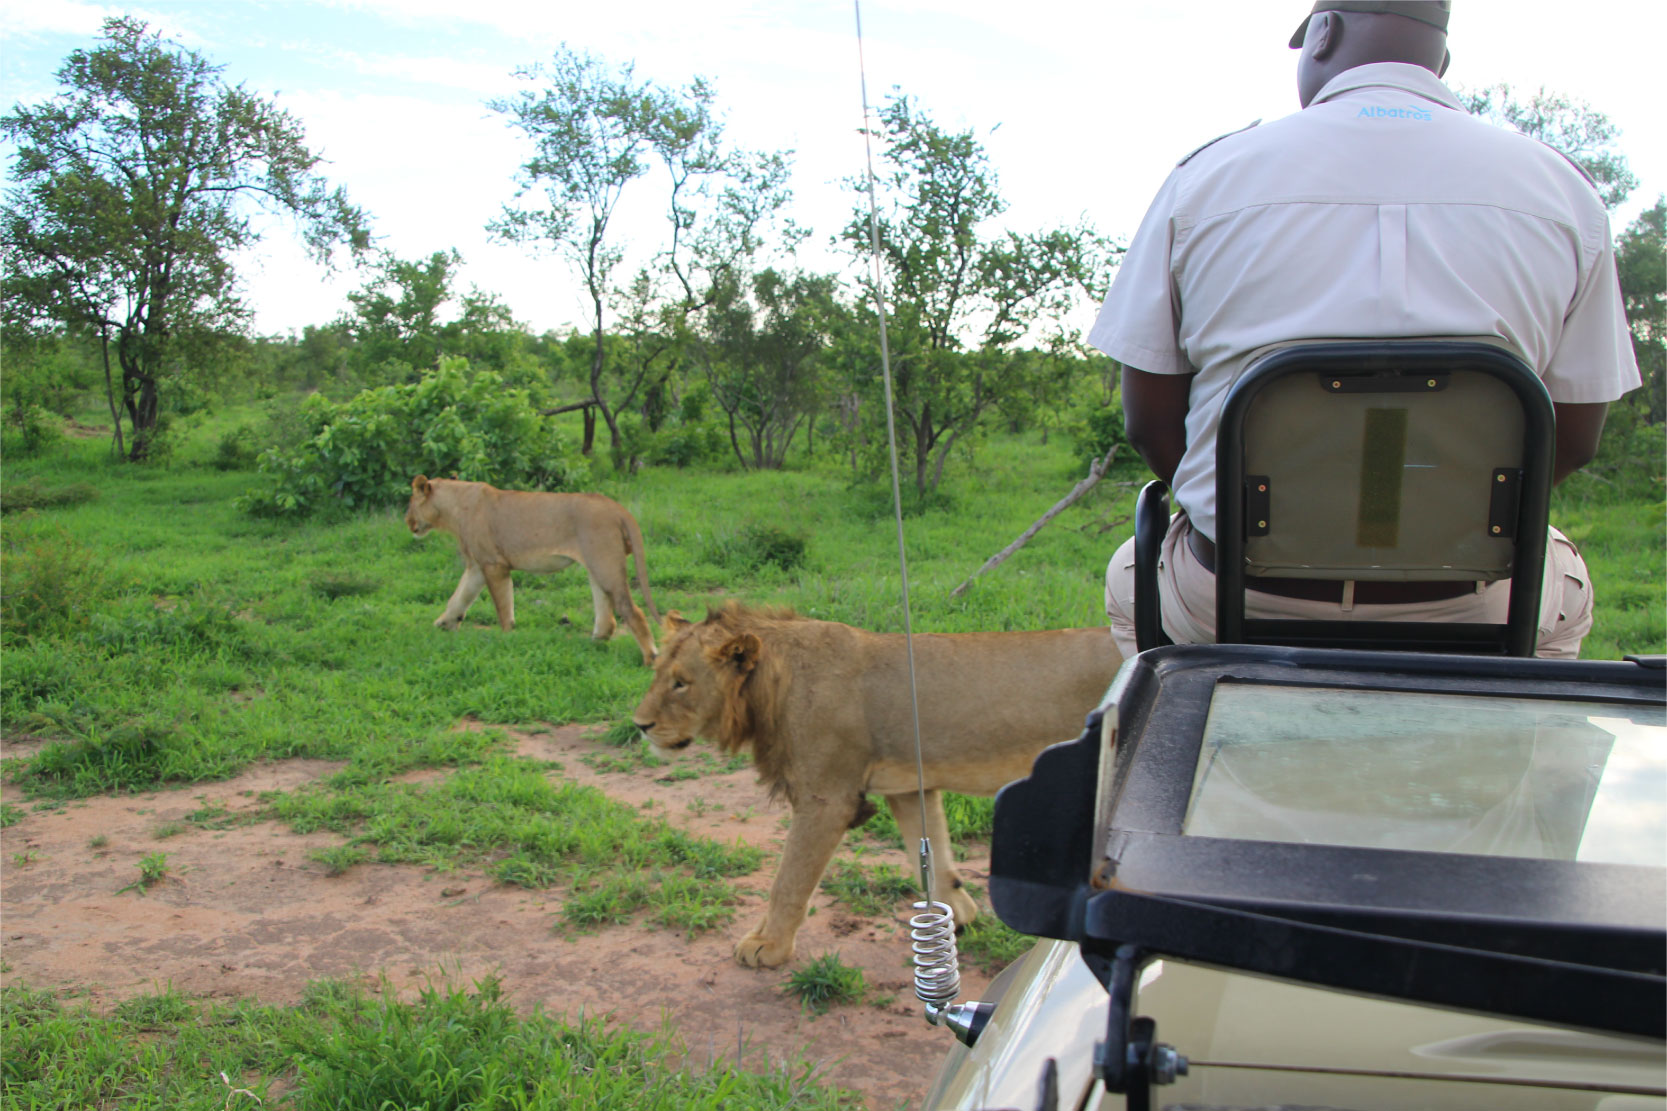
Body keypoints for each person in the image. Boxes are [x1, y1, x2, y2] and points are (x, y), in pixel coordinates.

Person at [1094, 0, 1639, 659]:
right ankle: (1516, 750)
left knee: (1133, 571)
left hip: (1232, 597)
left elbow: (1151, 427)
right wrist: (1446, 530)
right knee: (1564, 581)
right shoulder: (1563, 192)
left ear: (1321, 33)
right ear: (1441, 59)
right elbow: (1571, 440)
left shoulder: (1204, 179)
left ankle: (1168, 752)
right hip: (1477, 603)